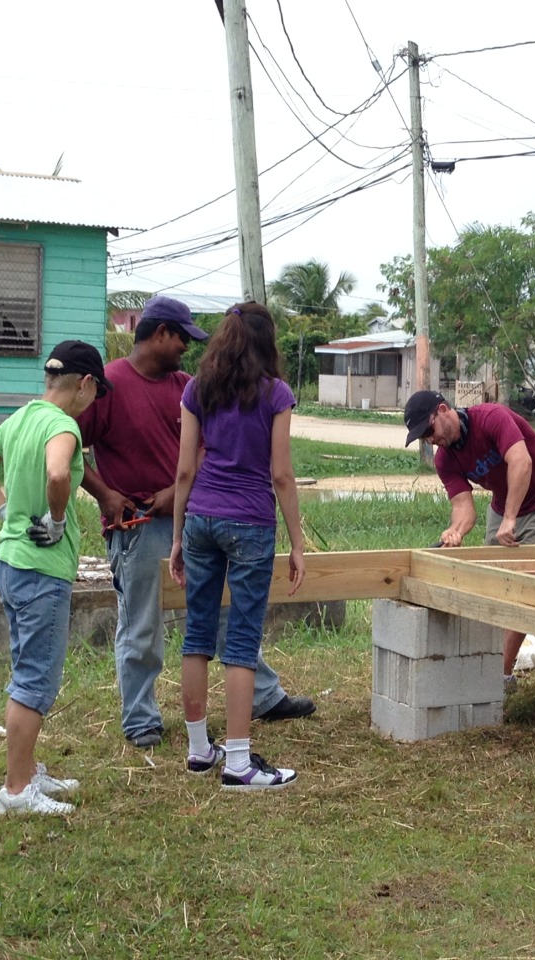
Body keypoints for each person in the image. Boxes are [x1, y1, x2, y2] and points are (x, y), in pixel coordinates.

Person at [78, 295, 314, 750]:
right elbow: (68, 444)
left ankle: (260, 698)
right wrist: (105, 494)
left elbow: (206, 451)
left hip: (191, 515)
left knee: (221, 616)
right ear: (160, 333)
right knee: (143, 623)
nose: (187, 347)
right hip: (140, 524)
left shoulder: (190, 385)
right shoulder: (112, 384)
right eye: (182, 337)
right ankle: (141, 718)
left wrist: (177, 496)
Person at [0, 340, 112, 815]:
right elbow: (57, 475)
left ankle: (26, 773)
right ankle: (15, 791)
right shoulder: (62, 425)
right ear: (85, 385)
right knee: (34, 682)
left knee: (25, 669)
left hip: (11, 564)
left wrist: (8, 511)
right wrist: (56, 520)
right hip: (41, 572)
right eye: (96, 392)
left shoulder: (23, 416)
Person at [169, 303, 306, 791]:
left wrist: (177, 535)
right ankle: (239, 763)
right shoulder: (277, 394)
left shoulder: (196, 389)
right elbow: (282, 475)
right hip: (249, 522)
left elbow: (184, 469)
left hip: (200, 518)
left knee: (197, 635)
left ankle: (199, 749)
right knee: (242, 641)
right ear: (267, 342)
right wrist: (297, 542)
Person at [403, 389, 535, 686]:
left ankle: (500, 678)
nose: (429, 439)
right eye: (422, 437)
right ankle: (488, 665)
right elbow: (464, 508)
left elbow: (522, 462)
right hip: (504, 506)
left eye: (429, 430)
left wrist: (510, 518)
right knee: (492, 585)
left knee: (525, 588)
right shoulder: (444, 460)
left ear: (443, 410)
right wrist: (456, 531)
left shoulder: (491, 417)